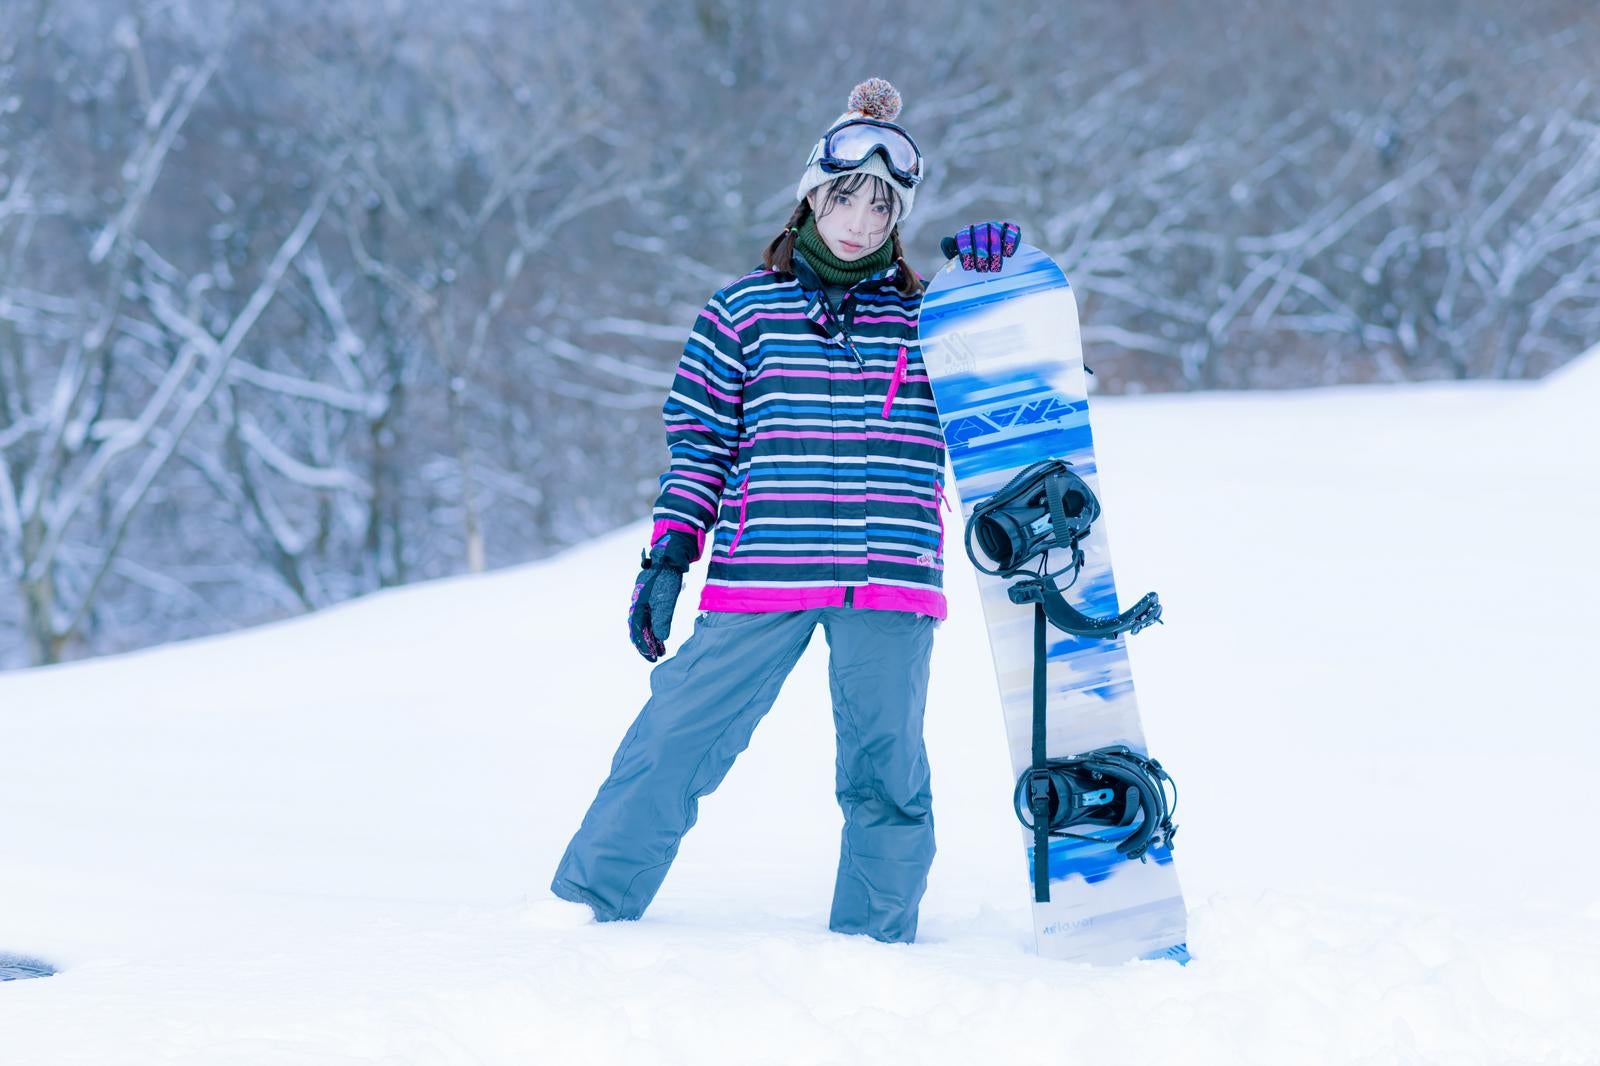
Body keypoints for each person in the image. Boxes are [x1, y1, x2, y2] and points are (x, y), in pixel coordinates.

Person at [550, 78, 1020, 944]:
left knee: (888, 774)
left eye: (883, 208)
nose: (861, 221)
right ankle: (587, 913)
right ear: (813, 195)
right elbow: (699, 448)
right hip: (764, 569)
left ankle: (877, 946)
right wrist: (666, 559)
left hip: (890, 578)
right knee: (675, 739)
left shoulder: (931, 318)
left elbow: (1009, 391)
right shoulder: (741, 313)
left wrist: (997, 285)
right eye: (846, 198)